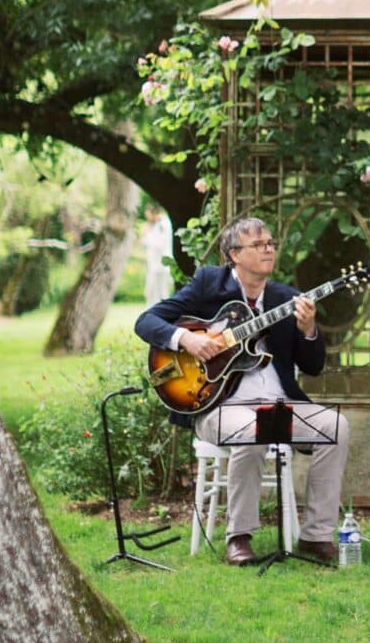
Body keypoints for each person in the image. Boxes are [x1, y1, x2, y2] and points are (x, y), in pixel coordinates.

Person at [134, 216, 349, 567]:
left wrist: (309, 330)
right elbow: (146, 321)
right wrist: (188, 338)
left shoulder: (287, 298)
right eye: (258, 244)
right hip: (216, 403)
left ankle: (316, 535)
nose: (268, 248)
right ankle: (239, 537)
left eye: (271, 243)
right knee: (255, 429)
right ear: (234, 254)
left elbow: (312, 366)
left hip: (280, 402)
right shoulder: (208, 284)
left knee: (337, 428)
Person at [140, 203, 174, 308]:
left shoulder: (163, 224)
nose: (148, 218)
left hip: (161, 265)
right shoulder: (156, 225)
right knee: (151, 291)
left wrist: (146, 235)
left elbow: (160, 243)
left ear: (154, 213)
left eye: (148, 215)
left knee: (161, 292)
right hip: (154, 264)